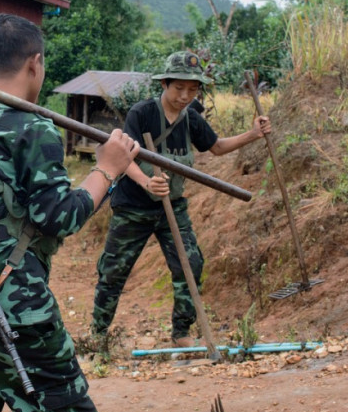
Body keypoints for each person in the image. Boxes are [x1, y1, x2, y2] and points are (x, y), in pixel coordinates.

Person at [0, 13, 139, 412]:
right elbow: (59, 217)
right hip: (19, 313)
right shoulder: (31, 127)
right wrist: (107, 170)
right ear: (34, 63)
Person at [91, 51, 271, 347]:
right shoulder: (142, 113)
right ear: (165, 84)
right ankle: (98, 337)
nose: (185, 96)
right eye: (179, 88)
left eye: (192, 89)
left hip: (172, 207)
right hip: (133, 207)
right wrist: (146, 181)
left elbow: (216, 147)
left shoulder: (191, 120)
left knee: (191, 264)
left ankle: (181, 333)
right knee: (113, 271)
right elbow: (124, 155)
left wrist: (252, 134)